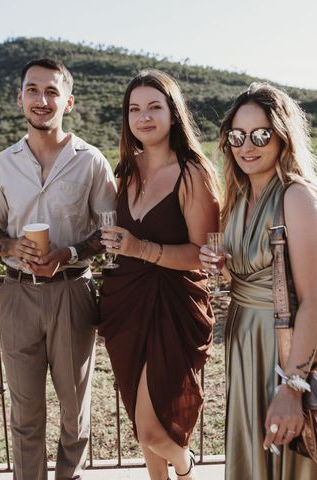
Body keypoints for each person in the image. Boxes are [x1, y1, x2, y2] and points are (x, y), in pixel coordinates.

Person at [199, 83, 317, 479]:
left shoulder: (296, 197)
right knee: (264, 449)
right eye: (237, 136)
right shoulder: (238, 197)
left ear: (282, 136)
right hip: (246, 341)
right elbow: (249, 274)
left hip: (290, 347)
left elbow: (311, 299)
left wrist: (294, 387)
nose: (247, 146)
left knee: (301, 452)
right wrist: (221, 264)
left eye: (261, 134)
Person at [0, 58, 116, 480]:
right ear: (20, 98)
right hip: (17, 293)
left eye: (51, 91)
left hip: (73, 292)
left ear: (68, 102)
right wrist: (9, 245)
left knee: (75, 407)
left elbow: (110, 231)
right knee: (24, 409)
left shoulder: (91, 161)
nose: (42, 99)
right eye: (33, 90)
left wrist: (70, 252)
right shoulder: (4, 163)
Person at [98, 69, 220, 480]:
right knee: (139, 418)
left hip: (173, 306)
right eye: (134, 109)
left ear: (173, 113)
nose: (143, 117)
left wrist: (140, 248)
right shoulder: (124, 171)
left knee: (152, 426)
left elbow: (203, 254)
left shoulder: (193, 173)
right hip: (124, 304)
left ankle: (185, 465)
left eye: (154, 107)